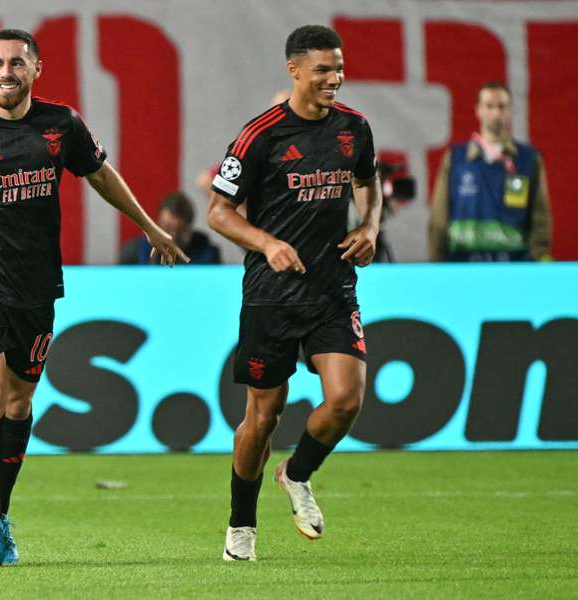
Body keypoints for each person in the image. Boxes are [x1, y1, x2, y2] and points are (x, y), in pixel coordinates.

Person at [0, 29, 188, 567]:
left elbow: (100, 174)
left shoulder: (62, 125)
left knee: (19, 403)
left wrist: (148, 225)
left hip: (34, 287)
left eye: (17, 63)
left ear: (37, 69)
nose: (7, 72)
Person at [207, 25, 382, 561]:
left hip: (332, 288)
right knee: (262, 417)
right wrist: (268, 243)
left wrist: (370, 228)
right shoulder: (260, 135)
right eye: (324, 69)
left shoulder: (354, 128)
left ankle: (297, 474)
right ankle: (241, 526)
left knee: (347, 398)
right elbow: (218, 213)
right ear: (295, 71)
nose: (335, 78)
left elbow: (368, 185)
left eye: (339, 67)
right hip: (271, 296)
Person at [428, 81, 552, 261]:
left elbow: (541, 217)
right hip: (461, 266)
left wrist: (534, 259)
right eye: (489, 106)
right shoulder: (456, 159)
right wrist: (437, 264)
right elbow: (439, 217)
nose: (495, 113)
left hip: (514, 267)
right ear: (478, 110)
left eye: (502, 106)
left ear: (510, 111)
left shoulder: (528, 160)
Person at [119, 191, 221, 264]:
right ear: (157, 226)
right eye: (166, 230)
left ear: (190, 229)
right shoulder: (135, 252)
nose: (172, 237)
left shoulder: (206, 253)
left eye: (179, 231)